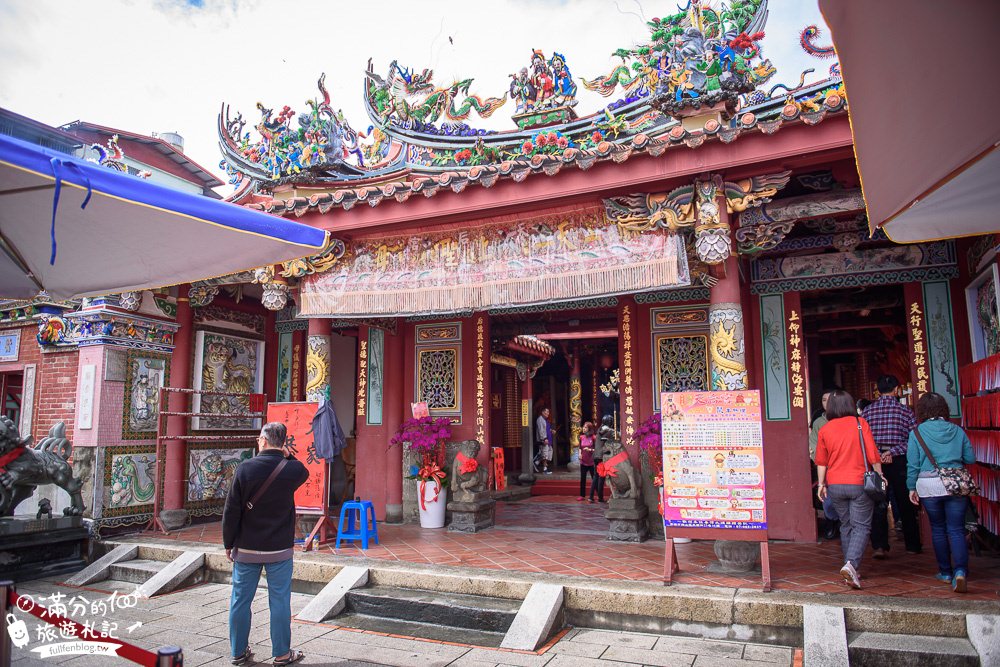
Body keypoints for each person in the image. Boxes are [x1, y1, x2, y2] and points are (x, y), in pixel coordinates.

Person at [223, 422, 309, 666]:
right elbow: (302, 469)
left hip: (247, 546)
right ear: (282, 443)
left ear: (262, 440)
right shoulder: (292, 470)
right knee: (280, 600)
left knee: (240, 600)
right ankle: (282, 653)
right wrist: (286, 454)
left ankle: (238, 651)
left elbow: (231, 510)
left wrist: (228, 543)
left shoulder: (244, 469)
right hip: (279, 548)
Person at [906, 392, 976, 593]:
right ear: (943, 409)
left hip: (929, 486)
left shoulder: (917, 433)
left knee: (938, 528)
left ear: (922, 411)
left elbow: (913, 464)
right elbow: (970, 458)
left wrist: (911, 487)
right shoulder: (957, 430)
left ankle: (945, 572)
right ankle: (961, 572)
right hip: (956, 484)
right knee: (956, 529)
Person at [815, 389, 884, 589]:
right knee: (861, 526)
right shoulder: (860, 424)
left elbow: (821, 461)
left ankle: (850, 566)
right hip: (859, 482)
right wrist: (880, 475)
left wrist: (821, 484)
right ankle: (851, 565)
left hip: (835, 484)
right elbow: (873, 454)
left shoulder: (825, 429)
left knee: (846, 525)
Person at [863, 375, 922, 557]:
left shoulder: (867, 412)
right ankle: (912, 545)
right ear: (896, 390)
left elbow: (863, 439)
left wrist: (880, 455)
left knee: (879, 502)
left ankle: (879, 546)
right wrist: (893, 452)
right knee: (905, 502)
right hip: (898, 462)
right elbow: (914, 439)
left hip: (876, 462)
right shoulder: (906, 412)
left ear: (878, 391)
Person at [810, 388, 841, 540]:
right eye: (823, 400)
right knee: (828, 499)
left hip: (844, 467)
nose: (826, 403)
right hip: (826, 468)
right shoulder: (818, 423)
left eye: (830, 399)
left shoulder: (848, 420)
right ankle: (832, 522)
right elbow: (814, 446)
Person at [578, 422, 596, 501]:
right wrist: (579, 454)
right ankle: (582, 495)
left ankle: (599, 494)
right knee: (582, 479)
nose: (583, 428)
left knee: (594, 478)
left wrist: (590, 449)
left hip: (591, 462)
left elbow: (597, 449)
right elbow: (580, 447)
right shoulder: (581, 437)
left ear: (589, 429)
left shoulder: (594, 438)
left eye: (585, 427)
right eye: (583, 427)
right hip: (583, 461)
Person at [535, 407, 554, 474]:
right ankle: (545, 469)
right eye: (546, 412)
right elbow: (541, 430)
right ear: (542, 412)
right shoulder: (540, 419)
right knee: (545, 454)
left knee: (549, 453)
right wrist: (544, 438)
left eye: (548, 412)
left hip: (548, 440)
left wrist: (551, 431)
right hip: (544, 440)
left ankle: (536, 462)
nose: (548, 413)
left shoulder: (545, 420)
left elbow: (546, 429)